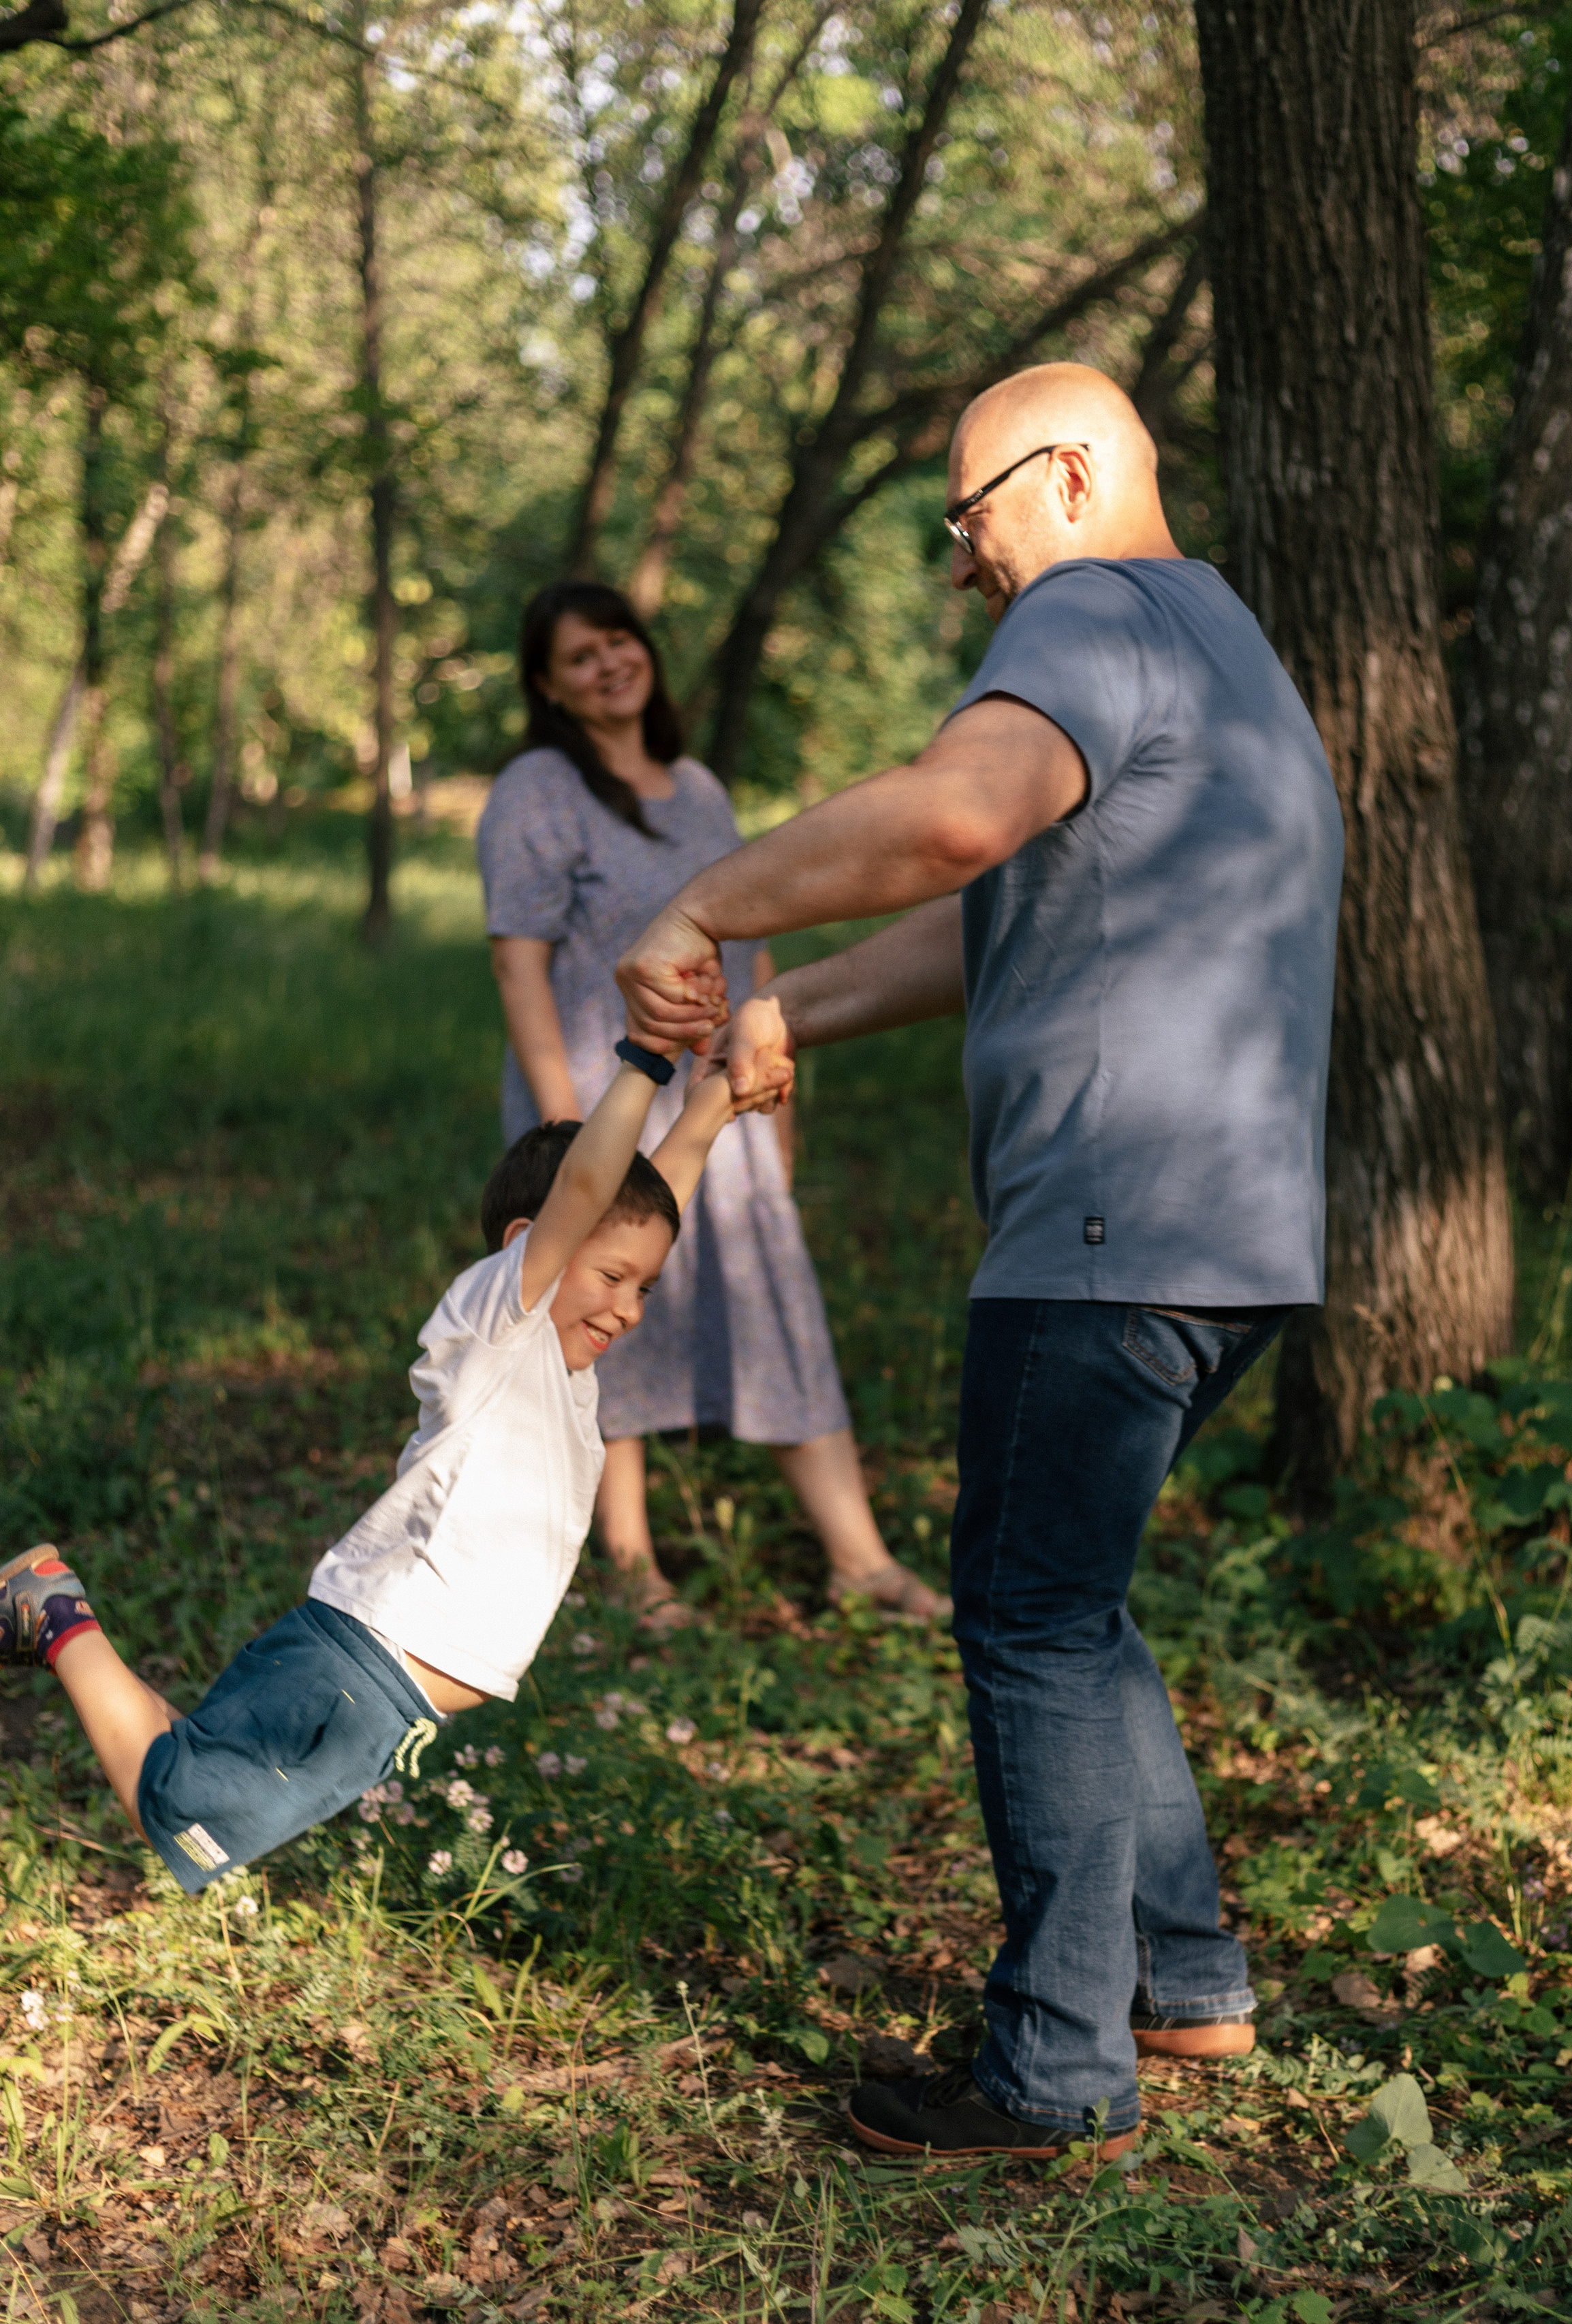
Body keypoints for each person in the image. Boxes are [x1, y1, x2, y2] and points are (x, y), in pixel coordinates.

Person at [616, 363, 1345, 2160]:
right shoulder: (1220, 641)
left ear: (1072, 470)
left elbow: (954, 815)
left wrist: (707, 901)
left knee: (1023, 1615)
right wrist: (799, 1011)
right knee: (1075, 1608)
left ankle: (1052, 2065)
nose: (968, 569)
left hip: (1105, 1222)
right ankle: (1184, 1980)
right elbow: (1003, 901)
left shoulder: (1091, 606)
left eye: (971, 519)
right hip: (1236, 1235)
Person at [0, 1038, 783, 1891]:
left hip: (382, 1695)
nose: (629, 1308)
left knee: (193, 1782)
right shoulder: (500, 1329)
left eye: (646, 1287)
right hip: (359, 1665)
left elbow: (636, 1204)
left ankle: (54, 1611)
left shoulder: (559, 1372)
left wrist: (708, 1110)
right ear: (532, 1245)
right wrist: (644, 1061)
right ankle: (52, 1610)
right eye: (612, 1278)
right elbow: (590, 1191)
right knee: (179, 1808)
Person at [476, 581, 945, 1628]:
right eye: (580, 655)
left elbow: (755, 937)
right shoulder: (536, 790)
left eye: (620, 642)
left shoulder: (696, 788)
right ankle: (634, 1566)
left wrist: (777, 1106)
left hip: (718, 1097)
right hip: (602, 1104)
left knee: (779, 1305)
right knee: (608, 1316)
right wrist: (561, 1139)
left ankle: (859, 1560)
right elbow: (520, 969)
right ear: (548, 685)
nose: (609, 664)